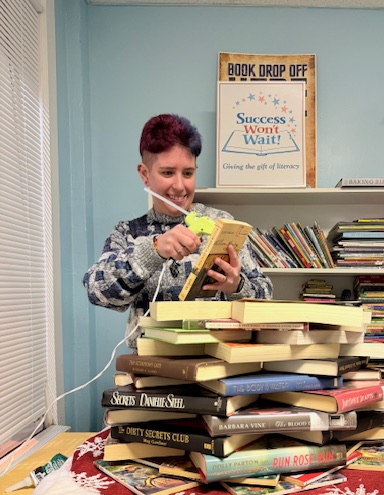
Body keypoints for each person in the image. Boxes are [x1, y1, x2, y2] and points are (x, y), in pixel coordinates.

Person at [83, 113, 273, 348]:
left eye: (188, 173)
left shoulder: (222, 224)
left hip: (217, 357)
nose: (180, 186)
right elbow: (97, 292)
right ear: (145, 174)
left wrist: (237, 286)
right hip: (152, 362)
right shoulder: (128, 233)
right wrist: (153, 251)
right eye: (167, 173)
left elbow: (265, 293)